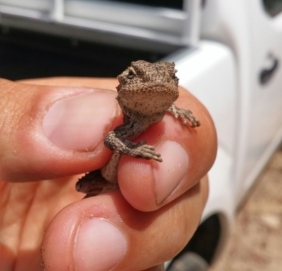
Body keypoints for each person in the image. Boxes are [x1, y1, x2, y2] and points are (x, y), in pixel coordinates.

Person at [0, 76, 217, 271]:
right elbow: (111, 139)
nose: (155, 83)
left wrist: (179, 111)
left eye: (169, 77)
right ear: (124, 86)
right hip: (103, 180)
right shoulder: (128, 121)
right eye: (137, 76)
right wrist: (133, 150)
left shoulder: (162, 108)